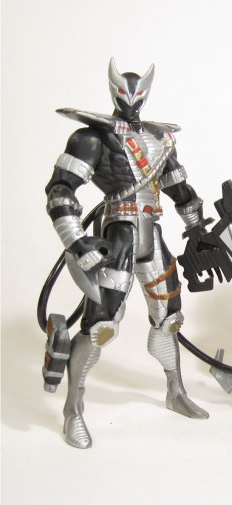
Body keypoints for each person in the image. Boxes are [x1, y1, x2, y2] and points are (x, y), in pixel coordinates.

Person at [45, 58, 209, 448]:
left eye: (138, 93)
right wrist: (76, 240)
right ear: (113, 89)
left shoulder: (160, 139)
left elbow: (179, 189)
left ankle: (176, 390)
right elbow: (60, 189)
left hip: (153, 232)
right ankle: (73, 410)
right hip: (117, 234)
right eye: (125, 91)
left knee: (170, 319)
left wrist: (198, 230)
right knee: (101, 326)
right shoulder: (92, 138)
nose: (132, 99)